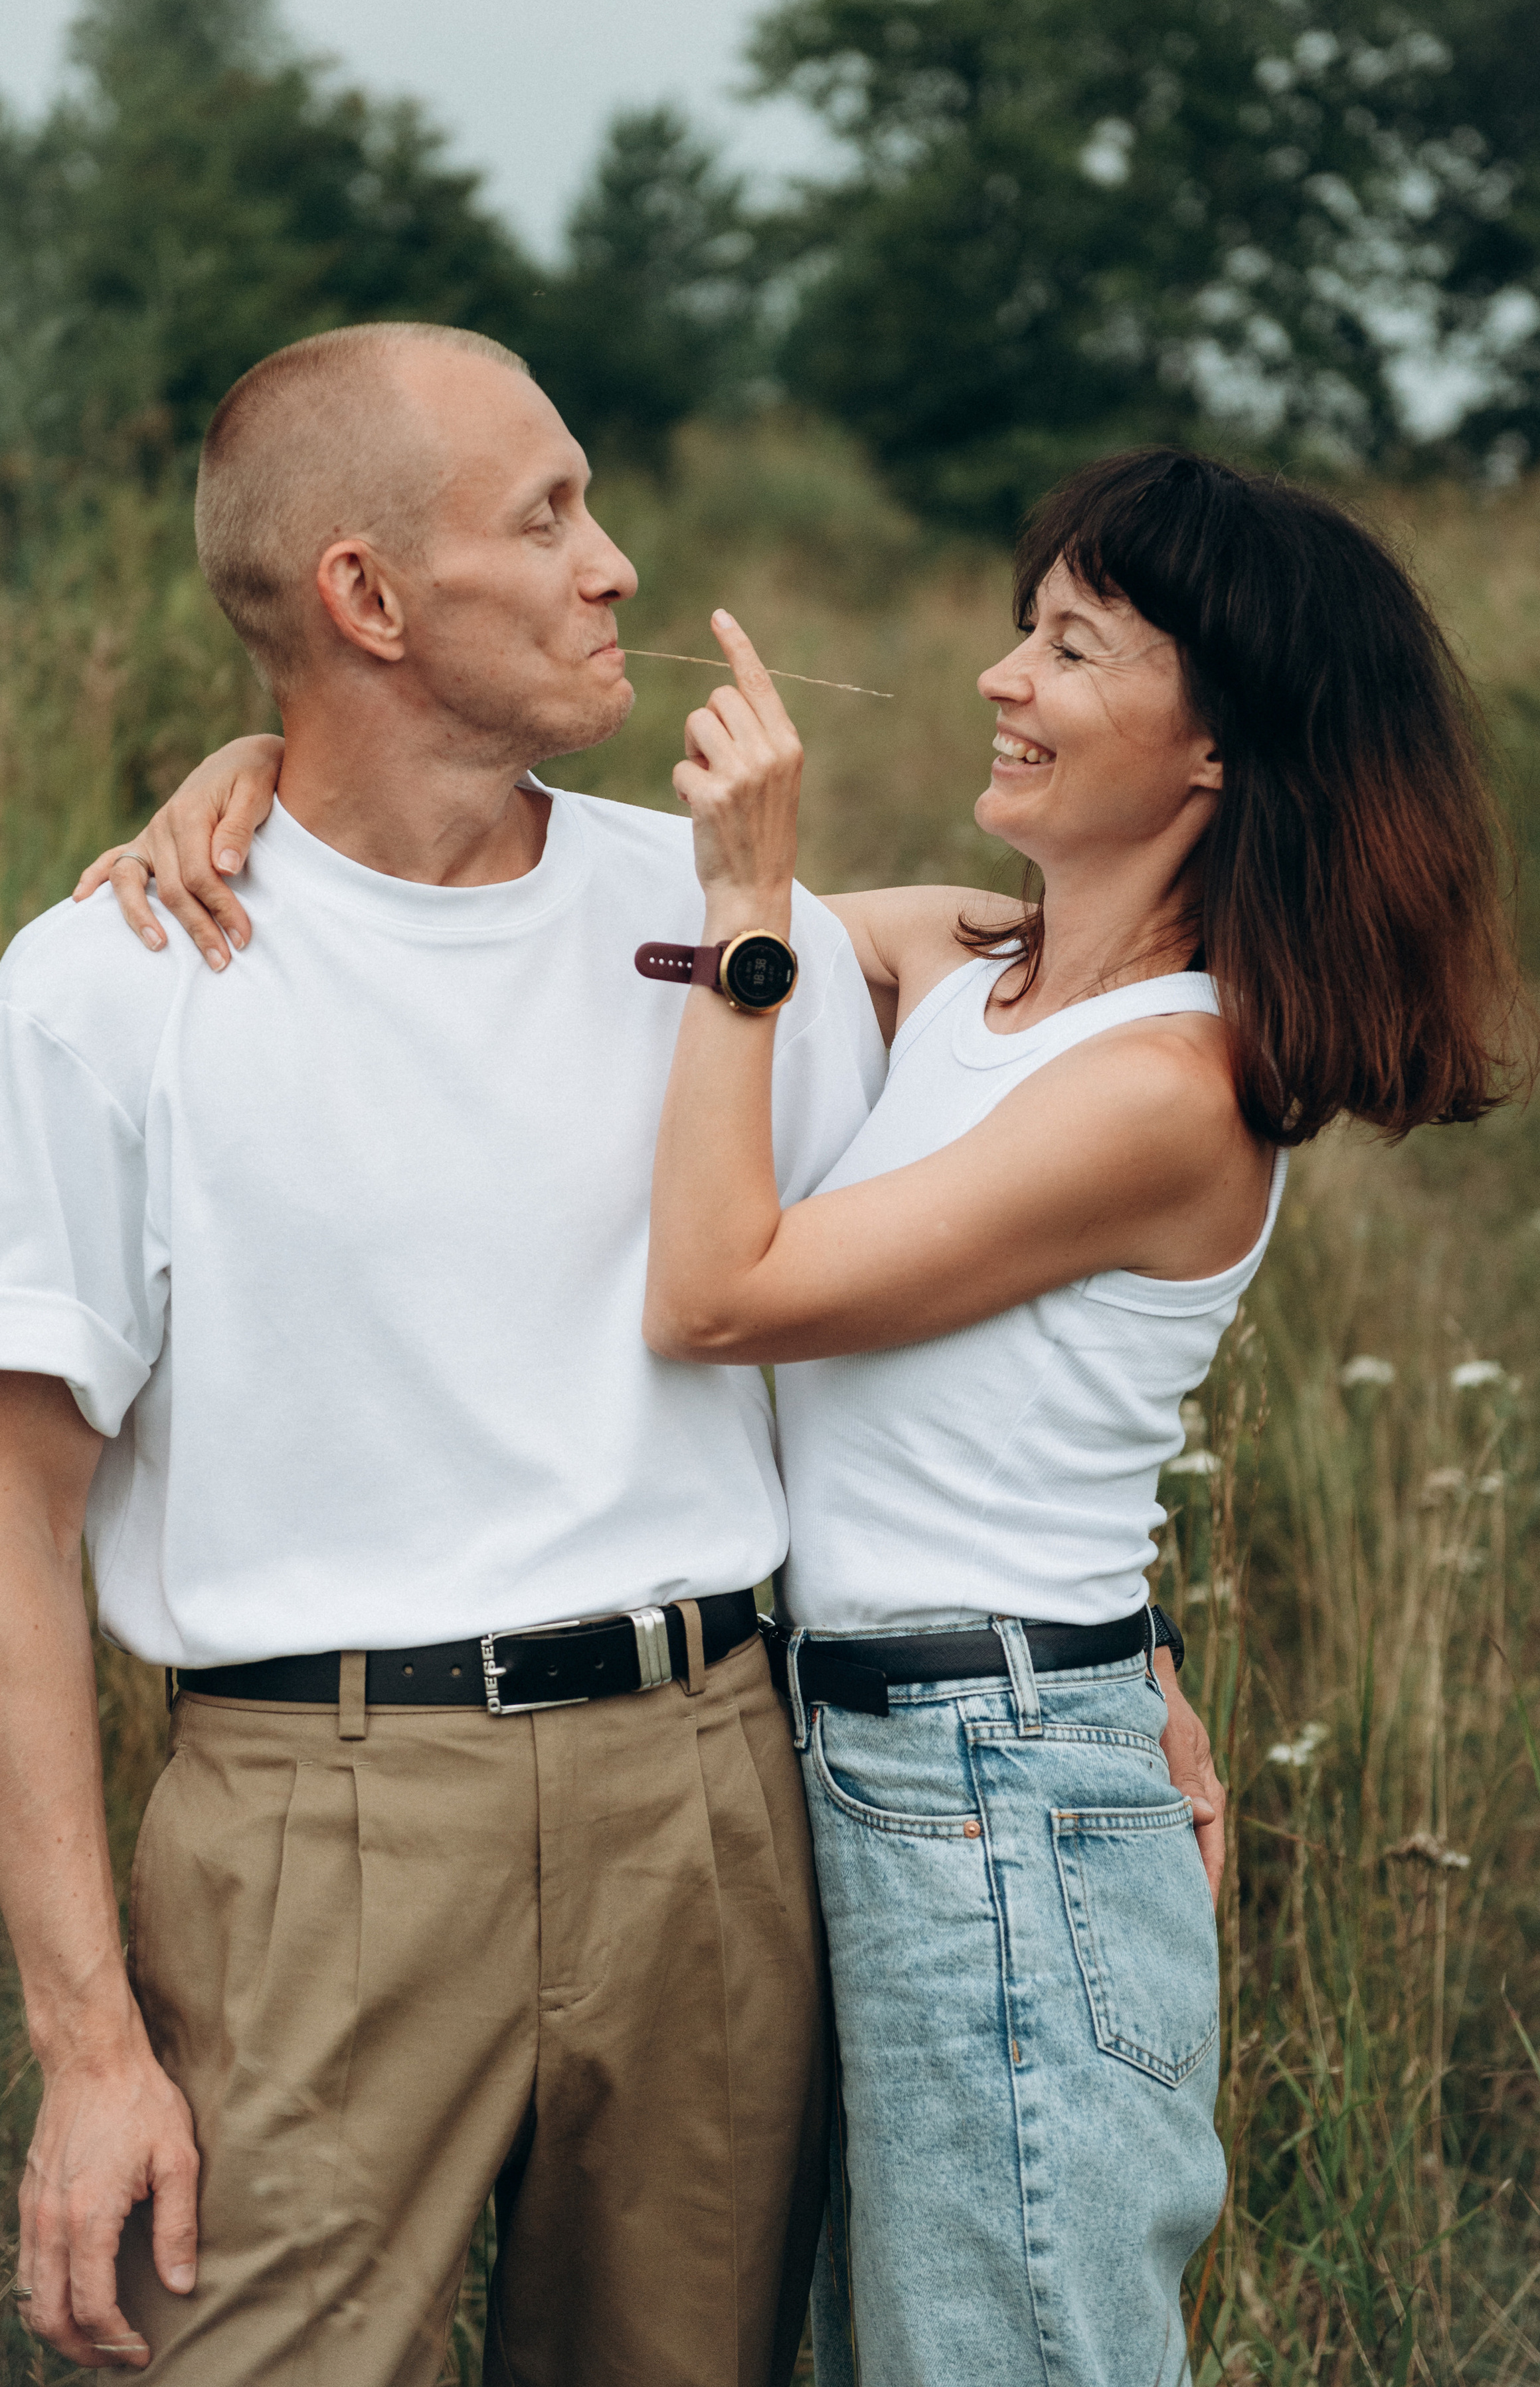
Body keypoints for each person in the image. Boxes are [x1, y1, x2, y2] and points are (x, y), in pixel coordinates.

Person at [80, 446, 1529, 2384]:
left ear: (1212, 753)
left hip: (995, 1783)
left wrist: (750, 892)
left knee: (1001, 2353)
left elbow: (718, 1295)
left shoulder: (1178, 1083)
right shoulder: (978, 966)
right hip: (860, 1758)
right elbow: (524, 897)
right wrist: (260, 778)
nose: (1004, 680)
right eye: (1025, 631)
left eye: (1074, 651)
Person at [0, 320, 887, 2384]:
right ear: (366, 597)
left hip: (707, 1801)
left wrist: (1148, 1677)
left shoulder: (727, 920)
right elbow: (15, 1544)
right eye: (548, 515)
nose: (618, 569)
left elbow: (891, 1340)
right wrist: (88, 2048)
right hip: (319, 1829)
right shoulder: (106, 989)